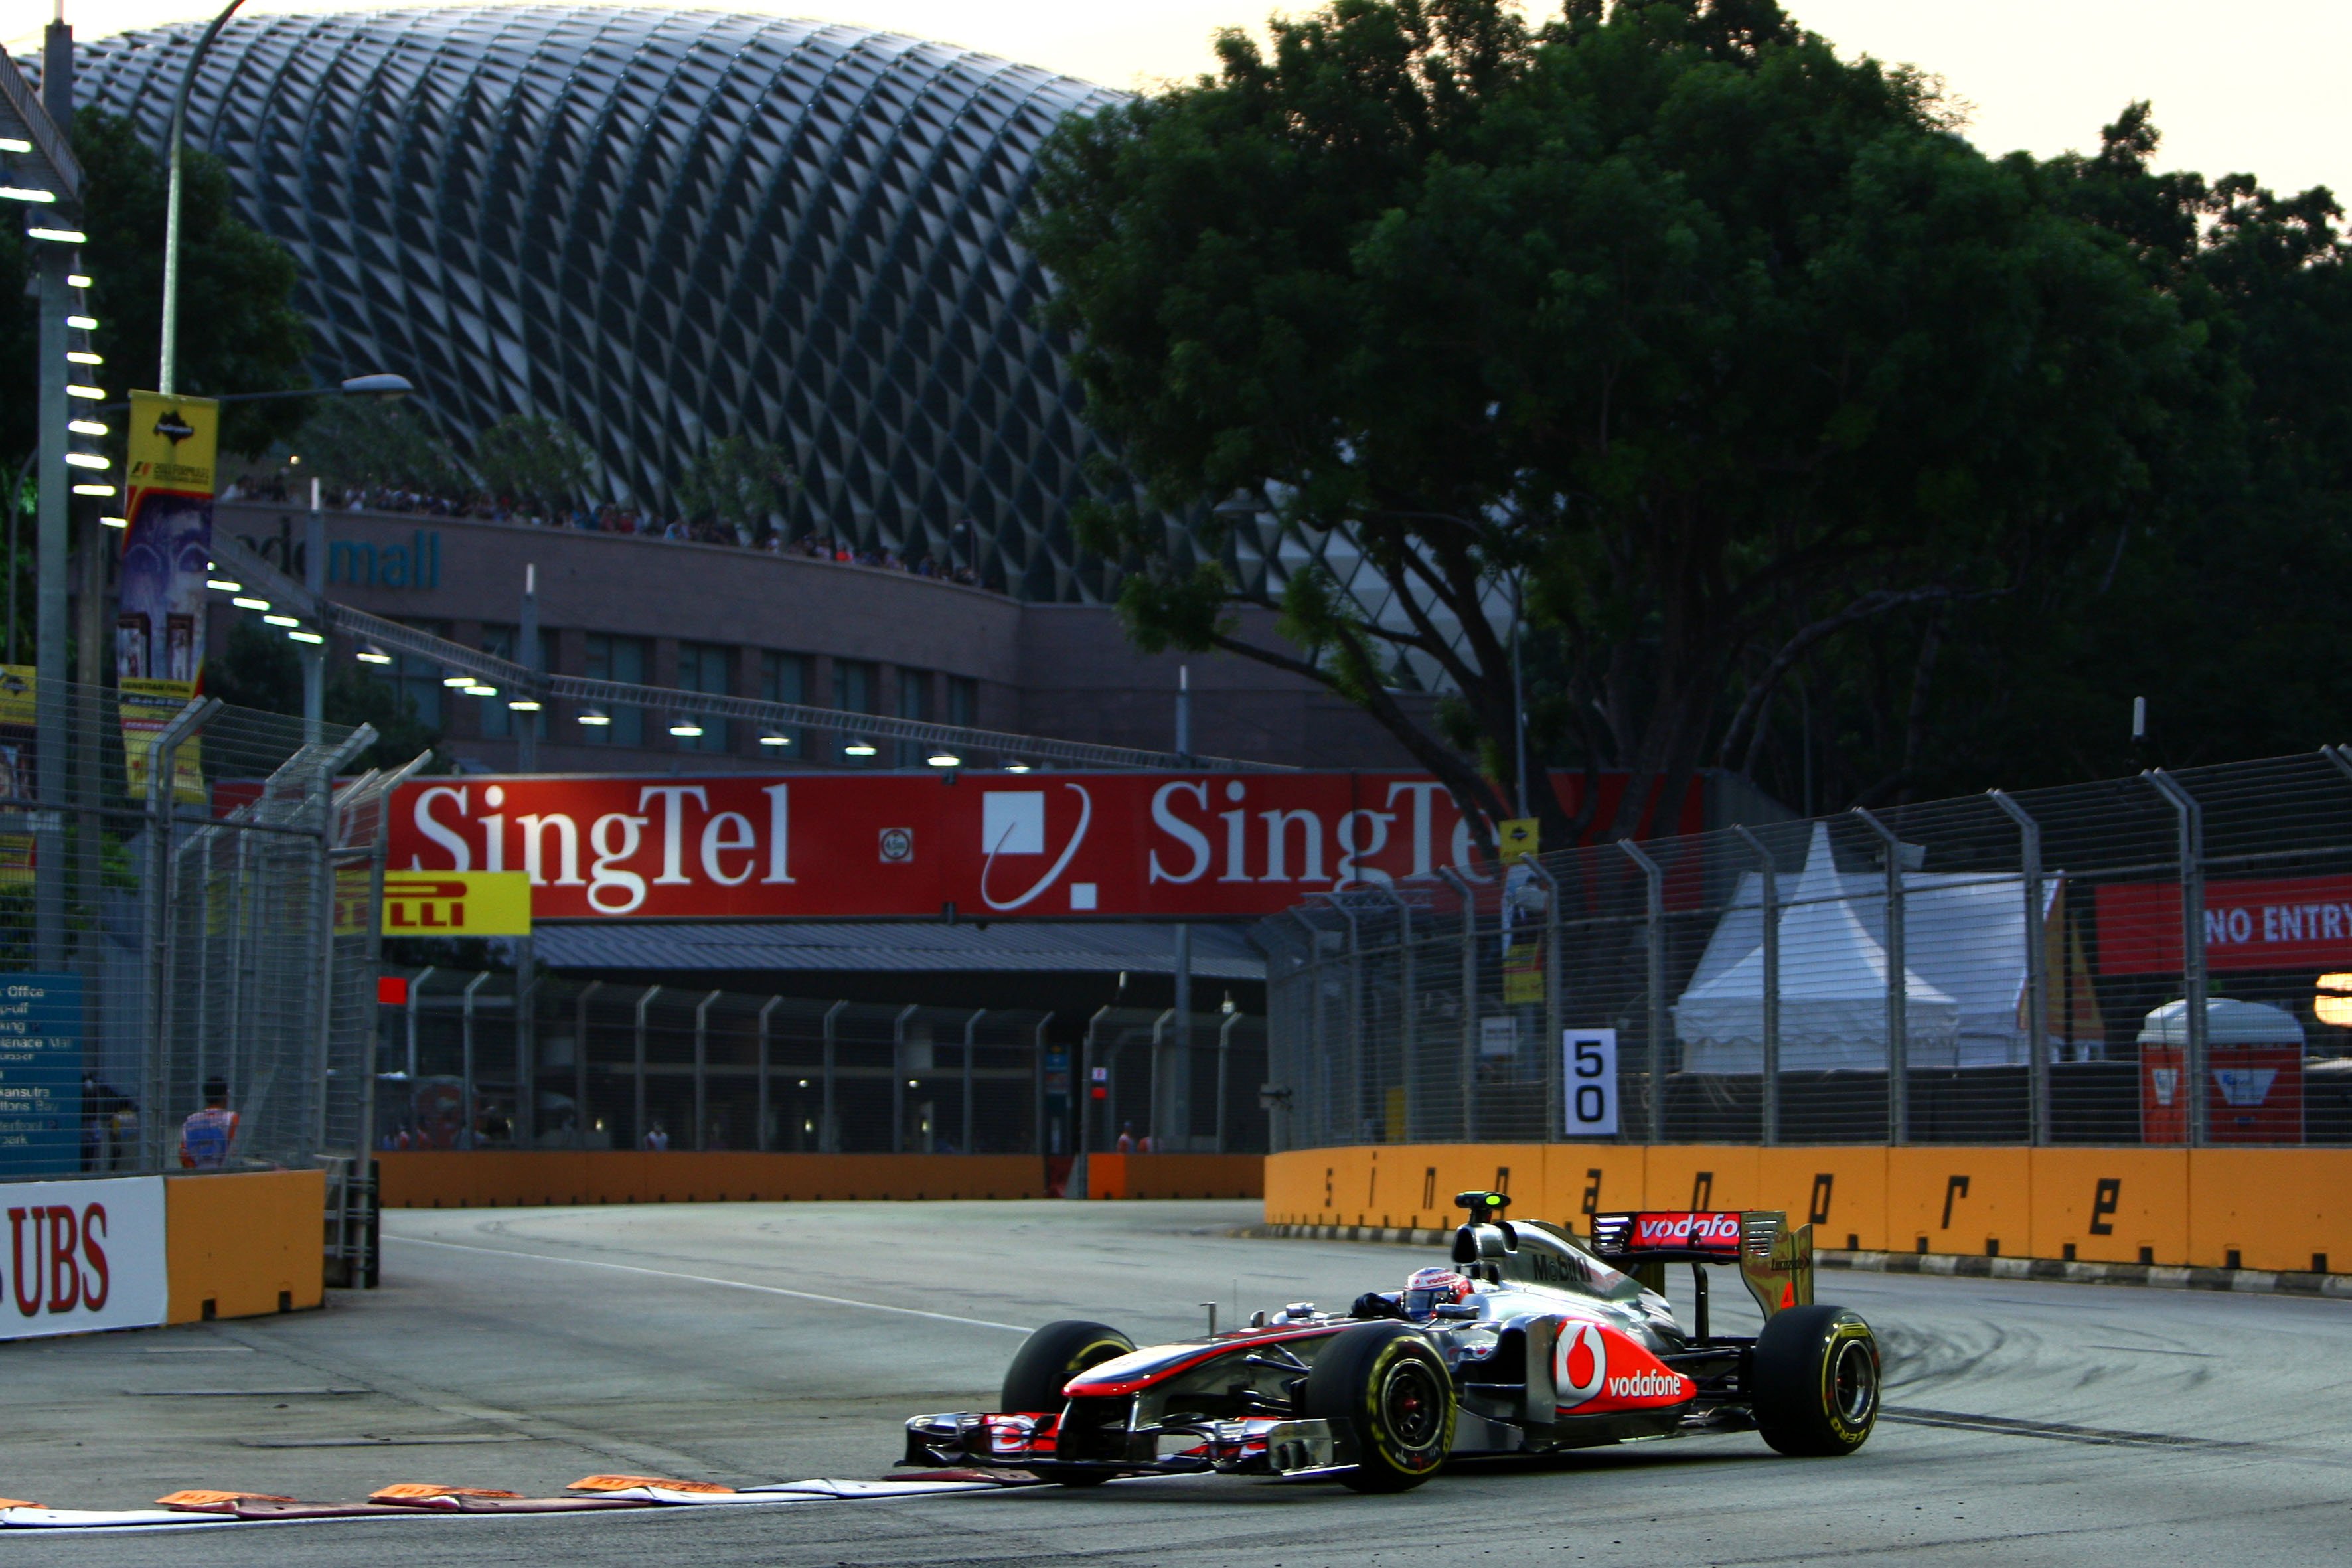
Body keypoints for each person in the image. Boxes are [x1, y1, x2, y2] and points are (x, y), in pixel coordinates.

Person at [179, 1078, 240, 1170]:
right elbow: (236, 1149)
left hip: (198, 1176)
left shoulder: (190, 1121)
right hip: (225, 1175)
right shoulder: (231, 1118)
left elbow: (184, 1154)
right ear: (226, 1096)